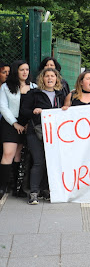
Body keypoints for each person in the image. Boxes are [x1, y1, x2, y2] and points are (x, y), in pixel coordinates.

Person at [20, 67, 65, 204]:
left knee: (50, 162)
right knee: (39, 161)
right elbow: (23, 111)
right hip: (36, 132)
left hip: (54, 134)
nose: (50, 78)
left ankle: (45, 190)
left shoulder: (61, 95)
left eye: (53, 76)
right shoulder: (34, 94)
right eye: (47, 76)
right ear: (42, 78)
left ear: (56, 79)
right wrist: (34, 111)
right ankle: (34, 192)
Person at [0, 60, 36, 196]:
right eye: (22, 70)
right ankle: (2, 188)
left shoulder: (33, 87)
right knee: (8, 153)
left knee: (18, 155)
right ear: (16, 71)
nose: (25, 72)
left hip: (26, 124)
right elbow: (3, 107)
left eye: (27, 69)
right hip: (10, 123)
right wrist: (15, 123)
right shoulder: (6, 87)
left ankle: (17, 188)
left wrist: (27, 124)